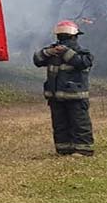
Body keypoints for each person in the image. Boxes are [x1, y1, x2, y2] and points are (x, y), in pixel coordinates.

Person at [33, 20, 95, 156]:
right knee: (60, 124)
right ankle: (63, 149)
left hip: (75, 97)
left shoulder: (82, 52)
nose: (63, 41)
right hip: (56, 97)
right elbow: (37, 60)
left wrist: (66, 52)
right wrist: (49, 52)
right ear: (75, 35)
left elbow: (82, 63)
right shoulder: (52, 52)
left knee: (80, 123)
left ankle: (84, 149)